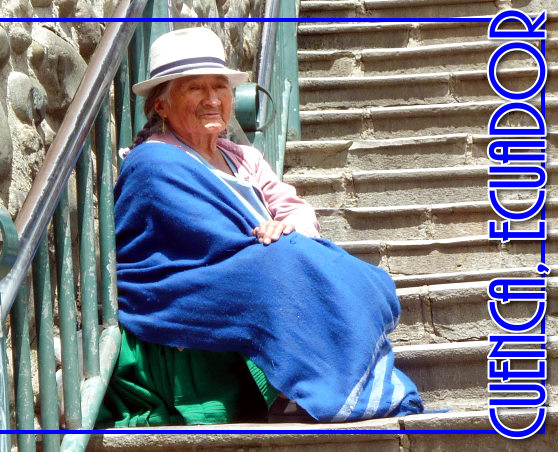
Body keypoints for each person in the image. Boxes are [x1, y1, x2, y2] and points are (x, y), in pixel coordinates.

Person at [99, 27, 423, 427]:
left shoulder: (242, 157)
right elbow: (189, 234)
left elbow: (294, 208)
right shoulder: (152, 162)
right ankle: (308, 386)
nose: (213, 98)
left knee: (328, 264)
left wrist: (285, 228)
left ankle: (325, 382)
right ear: (161, 105)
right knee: (281, 266)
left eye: (220, 86)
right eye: (195, 88)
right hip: (185, 280)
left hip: (251, 258)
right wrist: (258, 238)